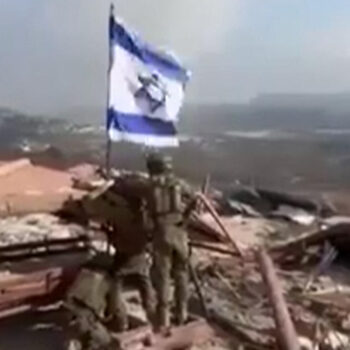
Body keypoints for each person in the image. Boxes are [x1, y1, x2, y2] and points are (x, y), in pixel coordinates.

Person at [81, 177, 156, 332]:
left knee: (113, 284)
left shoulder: (121, 213)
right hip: (141, 255)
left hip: (124, 257)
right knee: (144, 282)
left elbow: (87, 202)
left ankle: (120, 321)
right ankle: (154, 316)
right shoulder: (148, 214)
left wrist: (105, 187)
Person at [146, 153, 198, 330]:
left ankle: (164, 319)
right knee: (182, 274)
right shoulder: (180, 184)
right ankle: (182, 313)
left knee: (163, 277)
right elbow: (195, 199)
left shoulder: (149, 186)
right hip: (179, 231)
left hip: (161, 232)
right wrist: (185, 219)